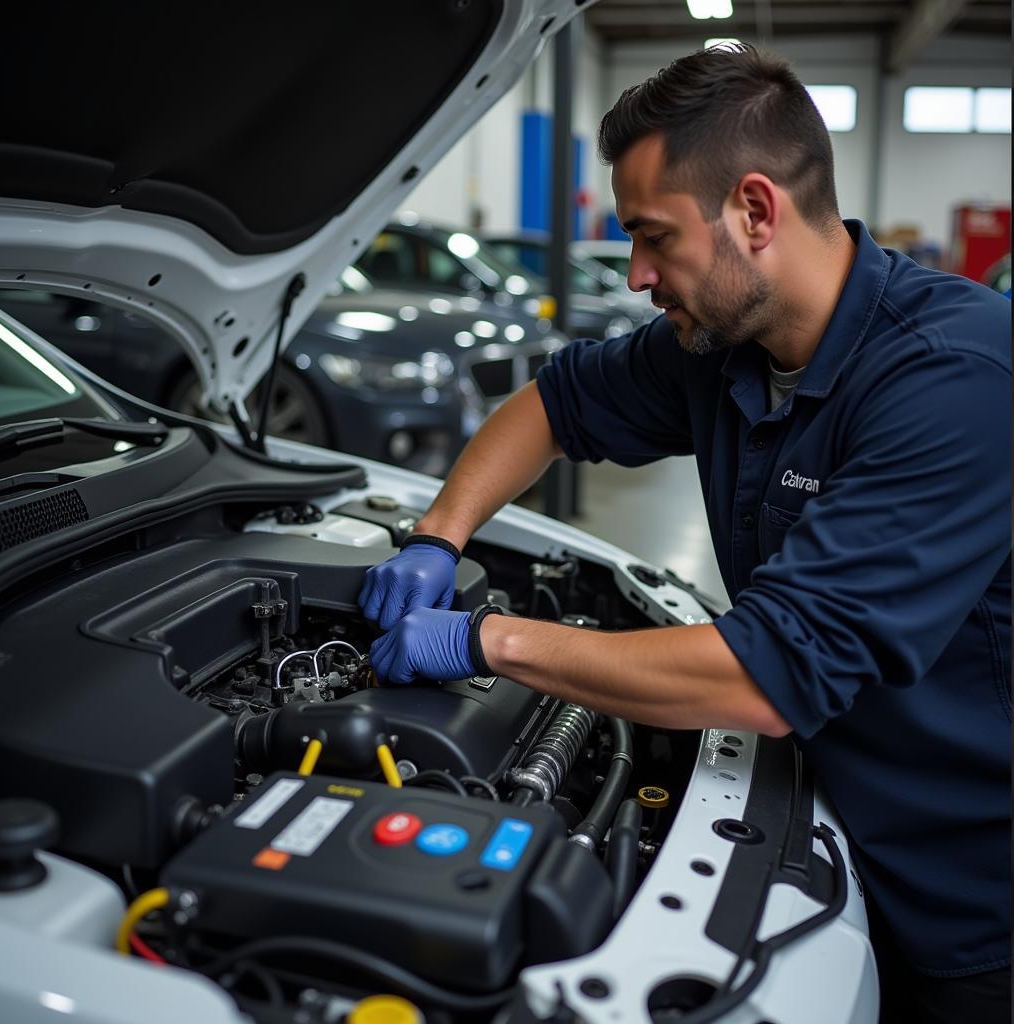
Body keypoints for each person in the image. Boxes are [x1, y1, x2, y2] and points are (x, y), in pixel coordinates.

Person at [358, 45, 1011, 1023]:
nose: (636, 273)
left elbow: (763, 676)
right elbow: (551, 402)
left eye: (653, 238)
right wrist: (436, 538)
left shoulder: (955, 378)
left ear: (754, 210)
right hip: (821, 819)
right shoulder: (716, 352)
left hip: (962, 896)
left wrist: (485, 640)